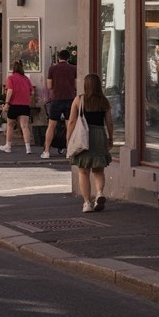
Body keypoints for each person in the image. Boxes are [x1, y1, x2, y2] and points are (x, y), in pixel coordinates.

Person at [69, 73, 115, 212]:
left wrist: (68, 138)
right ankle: (99, 193)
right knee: (98, 170)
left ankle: (87, 203)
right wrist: (110, 138)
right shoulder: (104, 101)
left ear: (85, 85)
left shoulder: (79, 100)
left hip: (84, 136)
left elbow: (71, 121)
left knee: (83, 171)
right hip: (99, 135)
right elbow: (110, 123)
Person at [42, 50, 79, 159]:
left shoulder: (52, 68)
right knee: (70, 125)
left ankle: (47, 151)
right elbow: (76, 85)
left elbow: (49, 86)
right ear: (68, 58)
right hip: (70, 99)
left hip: (56, 99)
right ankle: (69, 151)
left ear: (58, 58)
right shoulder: (74, 68)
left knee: (51, 126)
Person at [0, 59, 36, 154]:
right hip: (24, 105)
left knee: (10, 125)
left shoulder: (11, 78)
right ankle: (28, 148)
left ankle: (8, 146)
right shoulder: (26, 79)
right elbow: (32, 92)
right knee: (24, 126)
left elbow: (10, 91)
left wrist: (6, 103)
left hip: (14, 105)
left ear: (13, 69)